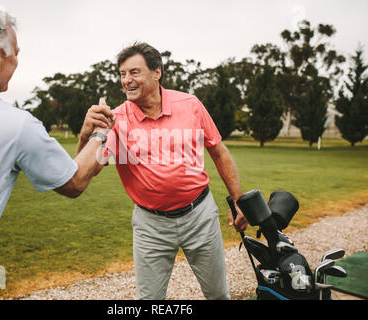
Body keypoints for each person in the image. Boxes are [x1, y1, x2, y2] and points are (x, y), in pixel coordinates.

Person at [0, 6, 113, 300]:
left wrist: (86, 137)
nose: (17, 62)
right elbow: (74, 181)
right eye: (16, 53)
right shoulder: (14, 123)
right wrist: (100, 134)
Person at [77, 42, 248, 300]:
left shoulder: (190, 104)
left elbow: (218, 151)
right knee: (149, 300)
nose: (126, 81)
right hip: (150, 225)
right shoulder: (116, 119)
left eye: (134, 72)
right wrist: (85, 135)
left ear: (157, 72)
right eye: (122, 74)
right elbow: (88, 171)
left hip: (200, 215)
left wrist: (239, 200)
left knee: (218, 295)